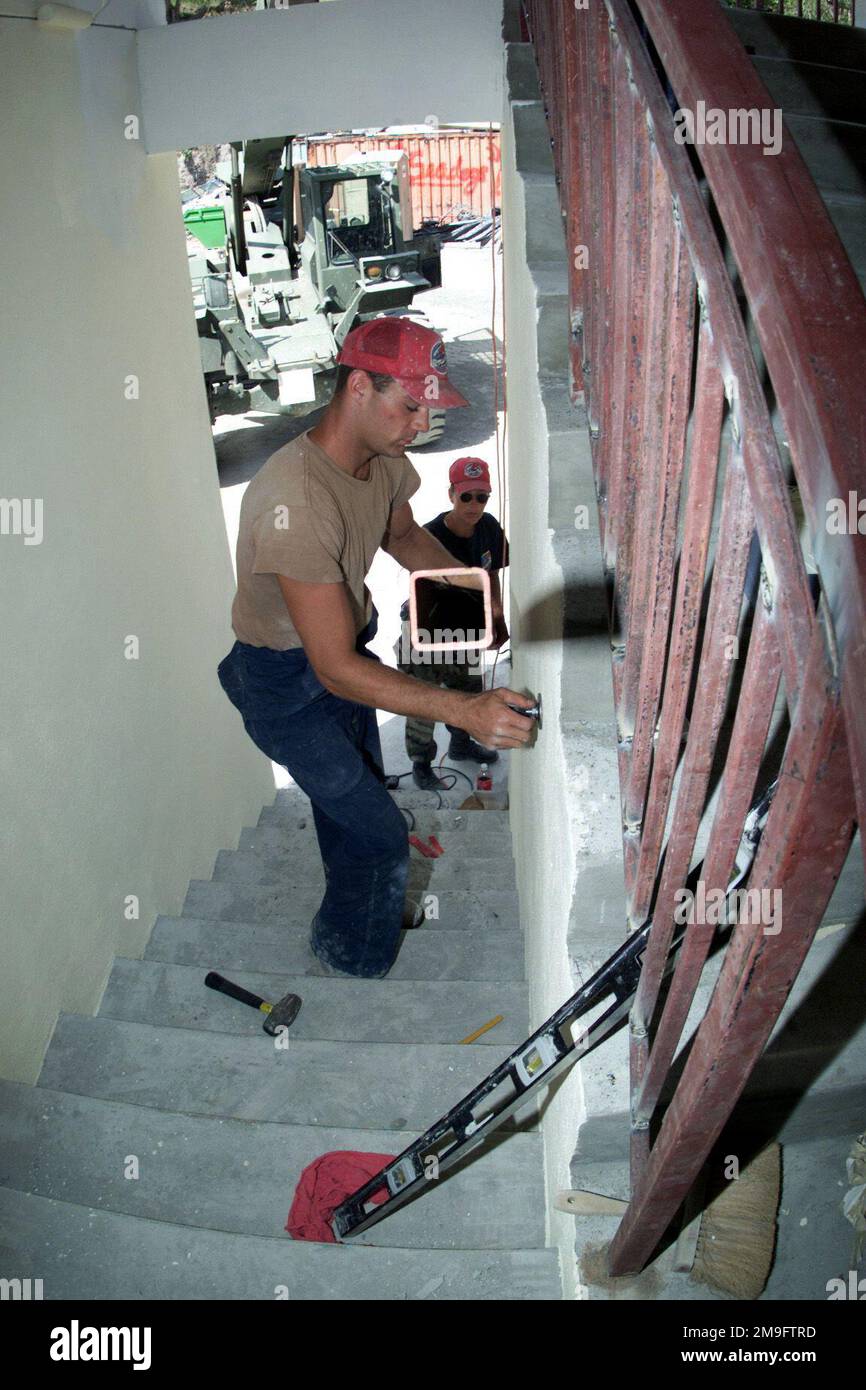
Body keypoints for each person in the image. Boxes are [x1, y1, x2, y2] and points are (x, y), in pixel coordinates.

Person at [216, 316, 535, 980]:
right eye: (410, 405)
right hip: (285, 686)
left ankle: (361, 903)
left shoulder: (383, 459)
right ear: (359, 387)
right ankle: (351, 953)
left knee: (352, 803)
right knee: (381, 832)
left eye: (430, 408)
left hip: (339, 656)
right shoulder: (296, 502)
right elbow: (335, 670)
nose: (421, 425)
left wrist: (475, 598)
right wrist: (467, 711)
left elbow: (403, 538)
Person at [397, 456, 510, 790]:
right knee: (423, 701)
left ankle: (460, 744)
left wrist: (497, 617)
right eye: (466, 496)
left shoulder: (488, 527)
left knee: (469, 692)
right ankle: (421, 763)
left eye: (481, 496)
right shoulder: (429, 537)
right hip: (426, 629)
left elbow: (490, 575)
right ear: (451, 494)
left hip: (467, 626)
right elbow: (421, 593)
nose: (474, 505)